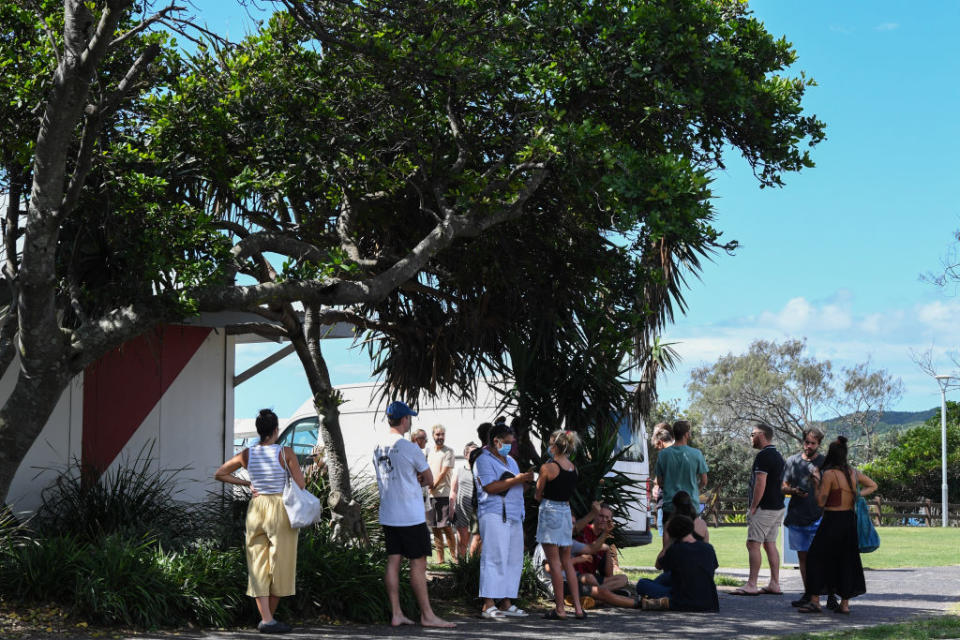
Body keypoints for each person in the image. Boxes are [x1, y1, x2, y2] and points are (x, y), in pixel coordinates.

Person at [214, 409, 304, 634]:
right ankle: (269, 619)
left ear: (259, 431)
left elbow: (220, 473)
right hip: (280, 509)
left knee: (257, 564)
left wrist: (247, 485)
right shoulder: (286, 453)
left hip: (256, 508)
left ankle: (267, 619)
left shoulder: (247, 454)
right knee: (280, 564)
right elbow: (301, 485)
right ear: (275, 430)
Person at [372, 401, 455, 628]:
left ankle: (396, 613)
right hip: (409, 514)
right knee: (418, 564)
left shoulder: (378, 446)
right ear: (404, 419)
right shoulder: (409, 447)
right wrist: (417, 477)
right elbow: (429, 479)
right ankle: (427, 615)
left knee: (393, 562)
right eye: (409, 417)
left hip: (388, 513)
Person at [798, 436, 877, 615]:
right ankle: (845, 604)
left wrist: (816, 480)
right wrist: (857, 495)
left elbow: (820, 502)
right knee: (846, 561)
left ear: (831, 455)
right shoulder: (853, 473)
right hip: (849, 521)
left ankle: (815, 601)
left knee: (815, 558)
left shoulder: (830, 474)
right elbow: (873, 485)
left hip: (832, 520)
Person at [474, 421, 534, 618]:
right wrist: (517, 479)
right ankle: (488, 604)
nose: (510, 445)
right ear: (496, 441)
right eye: (507, 442)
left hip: (514, 513)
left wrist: (526, 482)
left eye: (512, 442)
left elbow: (515, 487)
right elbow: (490, 487)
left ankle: (506, 602)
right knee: (494, 557)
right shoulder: (483, 460)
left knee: (513, 559)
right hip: (494, 513)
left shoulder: (511, 461)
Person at [781, 426, 837, 610]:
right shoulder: (792, 461)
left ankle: (830, 596)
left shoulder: (825, 462)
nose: (809, 446)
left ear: (819, 444)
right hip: (797, 516)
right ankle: (808, 593)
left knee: (824, 558)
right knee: (803, 559)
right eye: (806, 442)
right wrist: (793, 490)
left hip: (819, 516)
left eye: (813, 443)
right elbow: (783, 486)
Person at [535, 429, 586, 620]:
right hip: (566, 512)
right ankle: (579, 608)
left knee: (554, 562)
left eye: (550, 444)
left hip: (550, 511)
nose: (549, 447)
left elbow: (538, 494)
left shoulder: (548, 468)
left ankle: (560, 609)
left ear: (556, 446)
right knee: (566, 561)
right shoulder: (574, 468)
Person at [732, 422, 786, 596]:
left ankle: (752, 584)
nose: (751, 437)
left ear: (761, 435)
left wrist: (753, 506)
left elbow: (760, 482)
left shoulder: (764, 456)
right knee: (770, 544)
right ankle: (774, 584)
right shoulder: (778, 455)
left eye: (752, 433)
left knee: (752, 544)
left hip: (765, 508)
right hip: (777, 507)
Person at [637, 515, 719, 612]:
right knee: (668, 575)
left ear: (672, 533)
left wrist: (668, 544)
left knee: (642, 584)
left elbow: (658, 565)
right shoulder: (708, 548)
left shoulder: (675, 550)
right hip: (709, 602)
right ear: (691, 528)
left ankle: (655, 597)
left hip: (682, 600)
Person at [653, 420, 708, 545]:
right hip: (691, 505)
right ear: (687, 434)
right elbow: (704, 481)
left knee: (669, 544)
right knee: (692, 542)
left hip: (669, 506)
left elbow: (659, 481)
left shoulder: (663, 455)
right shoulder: (697, 454)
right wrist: (695, 490)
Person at [574, 503, 628, 592]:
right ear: (594, 516)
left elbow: (609, 575)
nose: (604, 520)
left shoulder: (603, 539)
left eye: (607, 518)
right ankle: (603, 593)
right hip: (578, 576)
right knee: (589, 578)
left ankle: (596, 593)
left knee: (623, 579)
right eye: (601, 516)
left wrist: (607, 550)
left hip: (593, 579)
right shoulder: (583, 530)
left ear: (610, 521)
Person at [426, 424, 457, 562]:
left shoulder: (449, 451)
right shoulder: (430, 452)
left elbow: (443, 472)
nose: (440, 437)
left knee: (446, 528)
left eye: (442, 434)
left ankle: (455, 558)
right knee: (435, 528)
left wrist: (432, 485)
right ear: (433, 435)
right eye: (438, 434)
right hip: (431, 495)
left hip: (443, 494)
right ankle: (440, 559)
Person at [449, 442, 481, 558]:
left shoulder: (481, 470)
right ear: (466, 455)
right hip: (462, 511)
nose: (475, 455)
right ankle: (460, 569)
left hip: (477, 510)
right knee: (462, 542)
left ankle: (472, 567)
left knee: (477, 541)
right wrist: (451, 508)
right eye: (472, 452)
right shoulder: (460, 470)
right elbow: (453, 490)